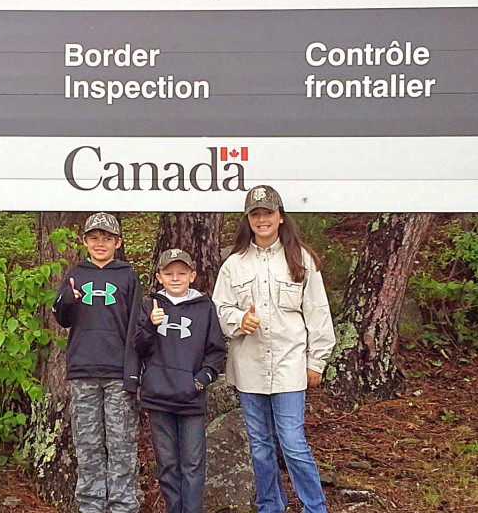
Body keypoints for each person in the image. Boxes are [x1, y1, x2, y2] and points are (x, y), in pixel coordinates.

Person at [212, 185, 336, 513]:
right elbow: (219, 311)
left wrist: (317, 361)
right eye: (256, 214)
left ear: (280, 217)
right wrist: (240, 320)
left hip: (289, 367)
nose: (262, 219)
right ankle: (270, 505)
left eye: (268, 213)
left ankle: (315, 507)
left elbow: (318, 313)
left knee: (293, 444)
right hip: (249, 368)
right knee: (260, 446)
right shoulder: (234, 264)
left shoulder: (301, 259)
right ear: (248, 219)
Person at [51, 212, 142, 513]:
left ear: (118, 242)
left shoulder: (128, 276)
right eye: (94, 238)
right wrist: (69, 299)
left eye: (106, 238)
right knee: (88, 446)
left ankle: (123, 506)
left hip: (118, 373)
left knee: (121, 446)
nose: (100, 243)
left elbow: (136, 328)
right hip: (83, 371)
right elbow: (62, 319)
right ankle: (90, 506)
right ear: (84, 241)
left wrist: (133, 373)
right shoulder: (76, 273)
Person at [133, 249, 226, 513]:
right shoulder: (150, 304)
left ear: (192, 275)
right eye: (169, 273)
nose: (175, 278)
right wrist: (151, 325)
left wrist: (200, 380)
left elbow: (216, 350)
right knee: (167, 464)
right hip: (158, 397)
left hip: (191, 398)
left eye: (182, 273)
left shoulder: (204, 307)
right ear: (159, 276)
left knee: (193, 465)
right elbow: (139, 346)